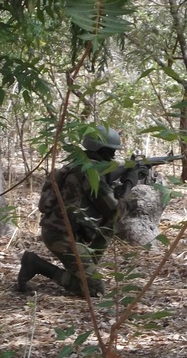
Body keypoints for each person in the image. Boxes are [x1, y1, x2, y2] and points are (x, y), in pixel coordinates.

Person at [16, 125, 122, 297]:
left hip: (61, 233)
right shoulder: (89, 172)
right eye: (109, 153)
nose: (112, 157)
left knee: (110, 227)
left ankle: (82, 270)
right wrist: (130, 185)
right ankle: (37, 265)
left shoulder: (75, 166)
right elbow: (114, 210)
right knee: (95, 290)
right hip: (63, 238)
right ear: (99, 151)